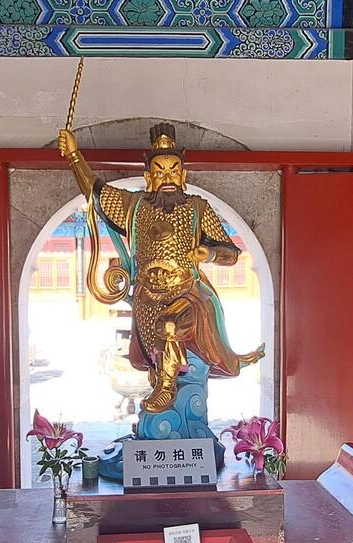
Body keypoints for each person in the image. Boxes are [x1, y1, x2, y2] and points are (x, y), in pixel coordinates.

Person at [58, 123, 264, 412]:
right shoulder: (134, 206)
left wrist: (209, 253)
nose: (167, 177)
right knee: (155, 353)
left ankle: (167, 389)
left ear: (183, 175)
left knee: (169, 326)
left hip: (188, 295)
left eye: (173, 171)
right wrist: (74, 156)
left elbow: (231, 253)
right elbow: (96, 191)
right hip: (146, 297)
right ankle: (163, 385)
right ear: (148, 176)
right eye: (160, 171)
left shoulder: (197, 208)